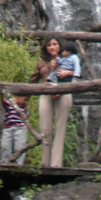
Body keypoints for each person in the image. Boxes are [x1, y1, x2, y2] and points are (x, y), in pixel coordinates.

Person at [31, 37, 72, 168]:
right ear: (46, 48)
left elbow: (78, 73)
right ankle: (44, 162)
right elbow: (33, 79)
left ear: (60, 46)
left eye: (55, 44)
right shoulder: (41, 62)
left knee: (60, 128)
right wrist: (22, 95)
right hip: (45, 93)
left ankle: (56, 164)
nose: (52, 47)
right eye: (49, 45)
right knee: (45, 128)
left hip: (63, 93)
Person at [0, 94, 29, 165]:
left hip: (20, 128)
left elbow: (26, 117)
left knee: (20, 146)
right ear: (18, 97)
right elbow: (3, 102)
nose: (25, 102)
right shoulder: (10, 103)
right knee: (5, 146)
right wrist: (2, 94)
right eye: (24, 100)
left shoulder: (24, 108)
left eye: (26, 100)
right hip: (8, 128)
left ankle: (19, 163)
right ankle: (4, 162)